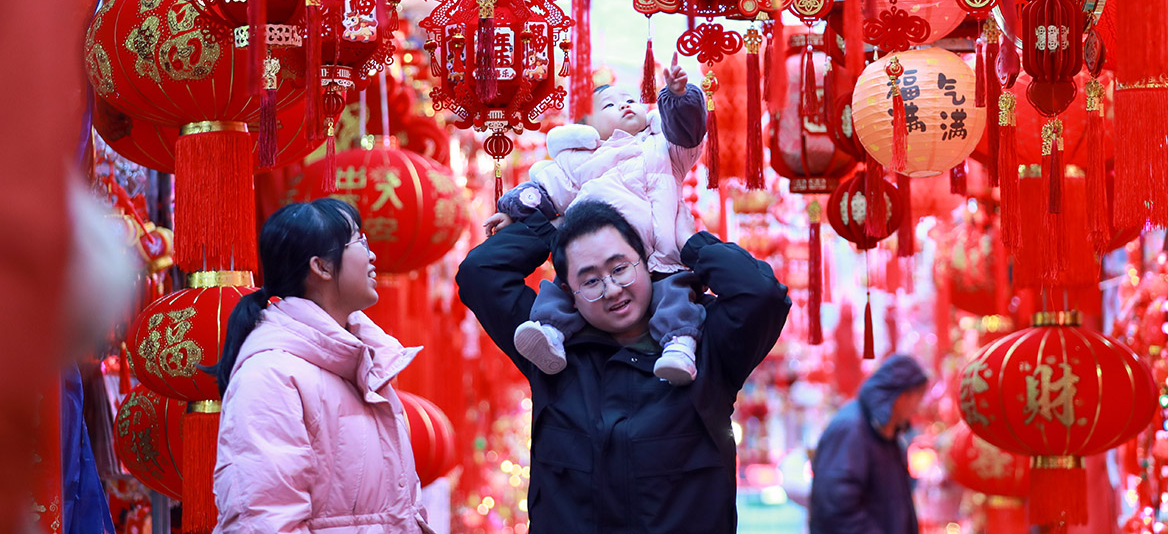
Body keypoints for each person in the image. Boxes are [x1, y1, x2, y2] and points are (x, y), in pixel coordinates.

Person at [458, 198, 791, 534]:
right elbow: (479, 273)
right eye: (590, 281)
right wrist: (551, 230)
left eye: (620, 269)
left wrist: (689, 243)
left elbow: (762, 295)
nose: (612, 290)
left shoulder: (704, 344)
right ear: (567, 293)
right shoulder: (549, 349)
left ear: (646, 262)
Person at [204, 199, 434, 534]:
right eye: (359, 242)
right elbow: (266, 523)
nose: (372, 256)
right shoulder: (271, 376)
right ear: (322, 267)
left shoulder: (361, 366)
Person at [484, 59, 707, 384]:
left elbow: (689, 132)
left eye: (630, 100)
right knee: (562, 292)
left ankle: (679, 346)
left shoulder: (663, 148)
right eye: (610, 104)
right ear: (586, 123)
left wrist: (678, 98)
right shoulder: (578, 160)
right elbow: (546, 192)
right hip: (599, 258)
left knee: (676, 295)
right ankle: (551, 334)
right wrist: (512, 210)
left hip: (661, 256)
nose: (625, 105)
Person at [809, 353, 930, 534]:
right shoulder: (851, 429)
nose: (917, 408)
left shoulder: (885, 429)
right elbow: (836, 507)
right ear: (901, 396)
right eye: (918, 398)